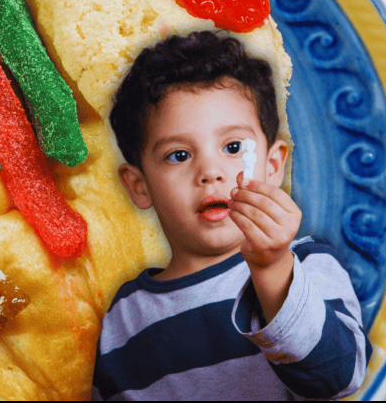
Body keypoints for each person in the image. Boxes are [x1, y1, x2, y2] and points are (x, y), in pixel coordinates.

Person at [93, 31, 371, 400]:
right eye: (179, 155)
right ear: (139, 186)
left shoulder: (305, 264)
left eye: (234, 147)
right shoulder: (121, 318)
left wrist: (273, 268)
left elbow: (337, 378)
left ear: (273, 166)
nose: (210, 171)